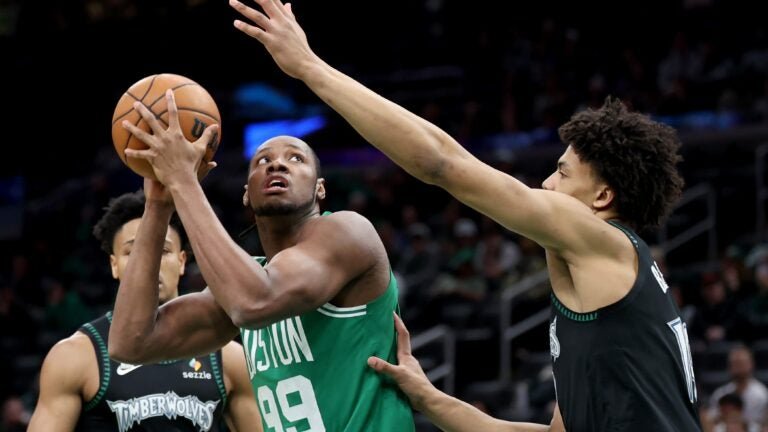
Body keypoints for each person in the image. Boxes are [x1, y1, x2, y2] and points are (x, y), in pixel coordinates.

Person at [229, 0, 702, 430]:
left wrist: (311, 68)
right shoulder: (611, 303)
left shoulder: (603, 240)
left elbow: (443, 164)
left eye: (561, 173)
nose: (545, 185)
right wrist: (431, 399)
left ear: (602, 197)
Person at [109, 93, 415, 431]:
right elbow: (129, 343)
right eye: (262, 161)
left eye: (296, 159)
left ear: (320, 189)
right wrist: (158, 203)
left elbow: (253, 302)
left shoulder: (349, 232)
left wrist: (183, 181)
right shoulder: (242, 281)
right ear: (246, 193)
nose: (277, 164)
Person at [27, 191, 261, 432]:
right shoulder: (75, 355)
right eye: (134, 252)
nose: (149, 262)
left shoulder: (231, 359)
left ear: (182, 262)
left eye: (163, 250)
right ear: (114, 265)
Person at [707, 345, 768, 425]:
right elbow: (711, 419)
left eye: (741, 363)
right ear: (729, 366)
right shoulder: (721, 394)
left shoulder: (761, 394)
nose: (738, 367)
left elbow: (762, 424)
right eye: (735, 363)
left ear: (751, 364)